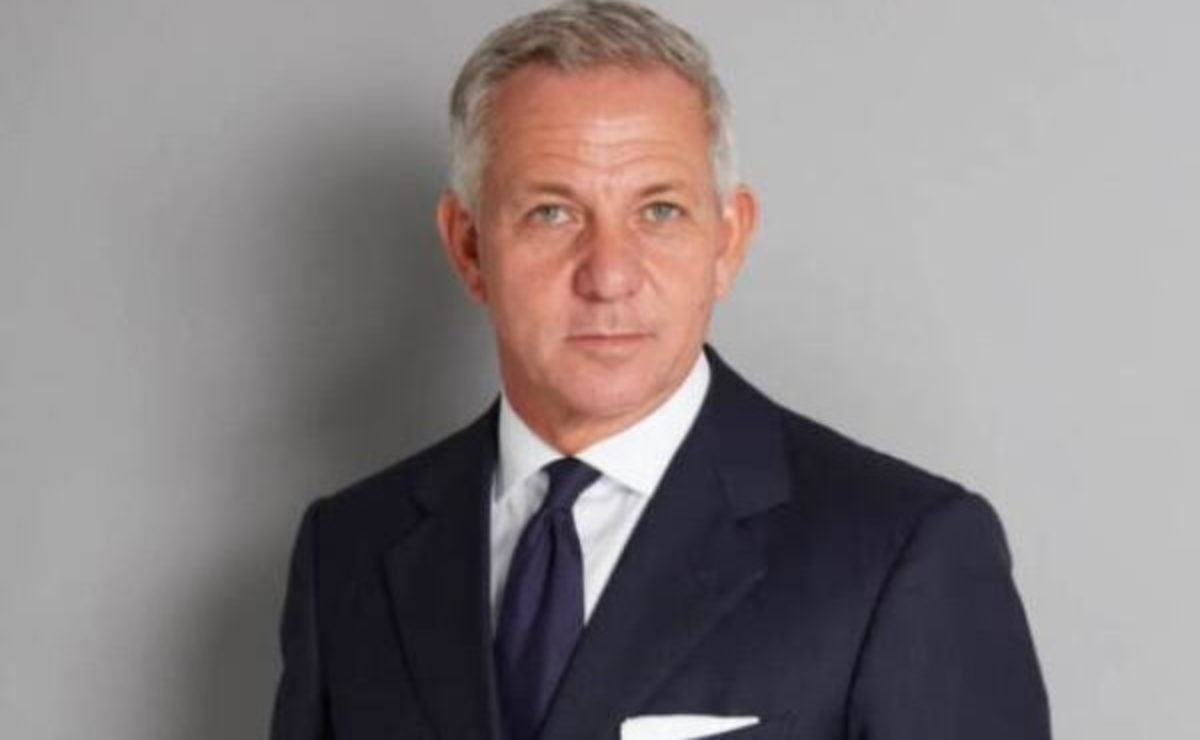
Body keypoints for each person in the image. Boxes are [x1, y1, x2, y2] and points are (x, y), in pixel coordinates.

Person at [269, 2, 1051, 739]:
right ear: (468, 247)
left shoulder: (903, 552)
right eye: (552, 212)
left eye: (660, 211)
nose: (609, 275)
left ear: (728, 241)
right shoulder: (348, 553)